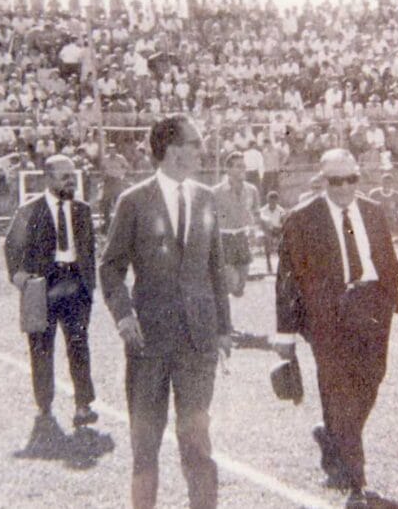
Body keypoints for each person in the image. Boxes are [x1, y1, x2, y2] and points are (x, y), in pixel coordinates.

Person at [99, 114, 232, 509]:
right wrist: (124, 316)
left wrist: (223, 328)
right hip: (148, 342)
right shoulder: (134, 200)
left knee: (197, 443)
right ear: (172, 150)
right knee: (146, 446)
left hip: (197, 343)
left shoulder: (207, 197)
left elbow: (215, 269)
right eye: (195, 143)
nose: (201, 150)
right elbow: (110, 267)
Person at [274, 149, 398, 508]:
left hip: (373, 309)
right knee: (339, 390)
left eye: (351, 179)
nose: (344, 187)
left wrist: (390, 297)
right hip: (327, 317)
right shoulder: (302, 219)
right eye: (335, 180)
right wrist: (285, 334)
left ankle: (332, 438)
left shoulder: (373, 211)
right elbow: (287, 279)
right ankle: (355, 480)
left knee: (371, 381)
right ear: (322, 181)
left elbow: (386, 259)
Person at [4, 154, 99, 429]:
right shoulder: (30, 209)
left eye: (72, 175)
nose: (71, 181)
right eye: (64, 176)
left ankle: (84, 405)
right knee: (41, 348)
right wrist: (18, 275)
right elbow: (12, 245)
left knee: (79, 344)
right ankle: (44, 405)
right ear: (48, 178)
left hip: (75, 283)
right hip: (42, 284)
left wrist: (88, 284)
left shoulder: (82, 209)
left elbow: (89, 250)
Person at [212, 151, 259, 297]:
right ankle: (222, 315)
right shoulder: (216, 192)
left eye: (243, 166)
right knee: (230, 282)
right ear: (228, 170)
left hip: (242, 237)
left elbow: (256, 213)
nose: (242, 170)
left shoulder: (251, 190)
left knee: (239, 289)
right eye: (238, 167)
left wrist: (254, 231)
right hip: (224, 238)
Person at [368, 171, 398, 270]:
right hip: (377, 222)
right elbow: (368, 209)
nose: (387, 185)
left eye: (389, 183)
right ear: (381, 183)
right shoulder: (374, 194)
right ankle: (381, 260)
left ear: (392, 184)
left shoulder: (396, 195)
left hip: (391, 222)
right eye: (385, 182)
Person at [257, 191, 286, 275]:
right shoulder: (263, 210)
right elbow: (261, 223)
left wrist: (279, 227)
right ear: (268, 200)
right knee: (267, 239)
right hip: (267, 230)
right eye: (271, 200)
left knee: (284, 241)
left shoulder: (280, 210)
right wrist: (267, 228)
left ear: (277, 201)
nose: (272, 202)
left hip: (278, 229)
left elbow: (283, 221)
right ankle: (268, 263)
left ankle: (282, 264)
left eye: (274, 200)